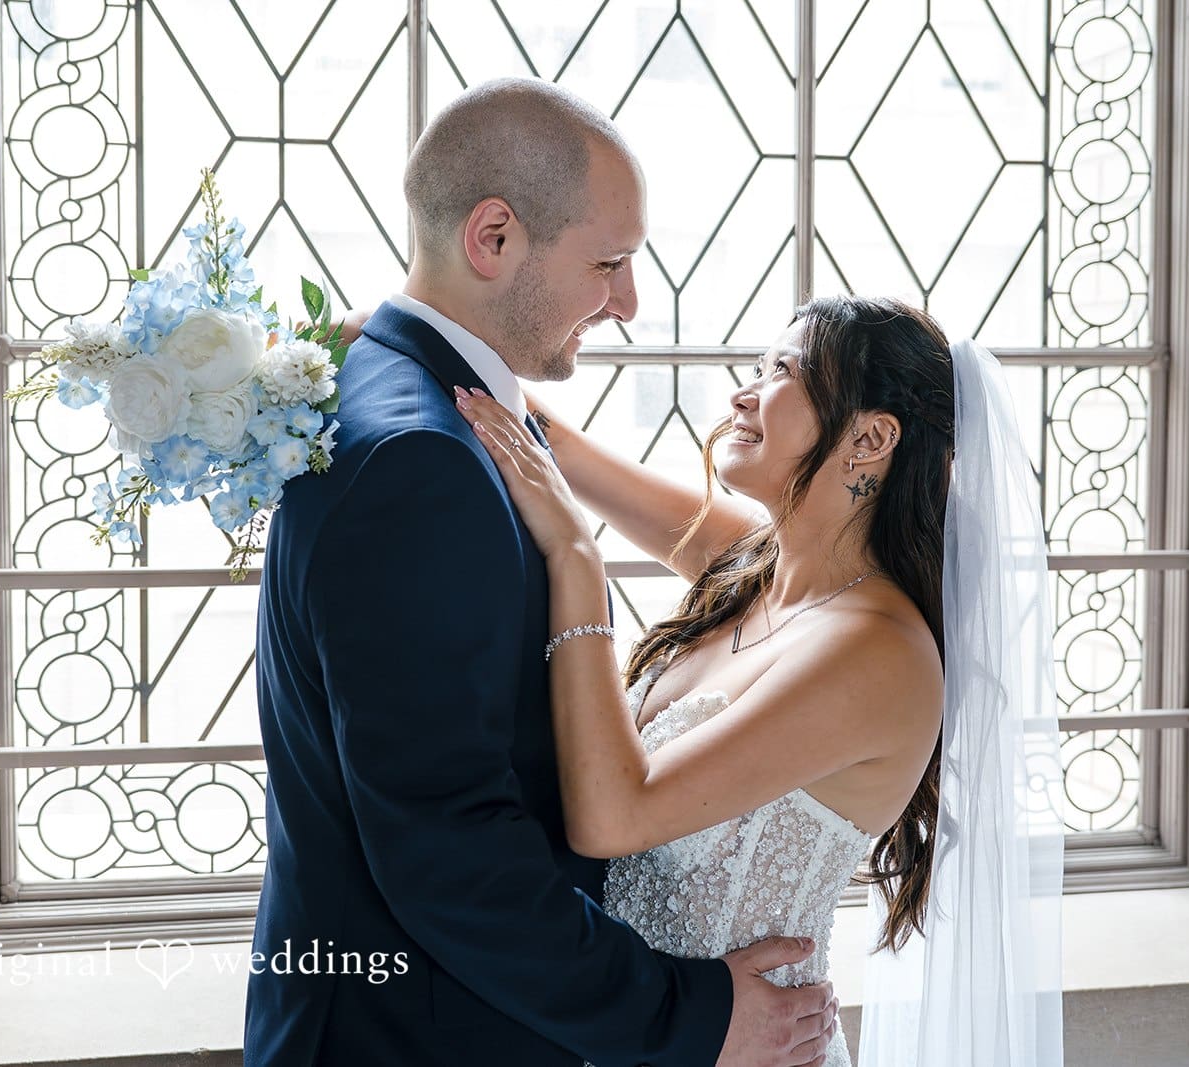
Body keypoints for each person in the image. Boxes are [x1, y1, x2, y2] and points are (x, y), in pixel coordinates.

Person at [246, 77, 839, 1066]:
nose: (628, 302)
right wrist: (686, 1015)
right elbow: (451, 848)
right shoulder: (421, 464)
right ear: (493, 237)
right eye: (608, 263)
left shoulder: (393, 381)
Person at [452, 295, 1066, 1066]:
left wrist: (577, 560)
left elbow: (613, 816)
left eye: (782, 372)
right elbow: (548, 444)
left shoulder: (876, 653)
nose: (743, 394)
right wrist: (368, 336)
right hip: (646, 1031)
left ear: (871, 438)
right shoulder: (754, 562)